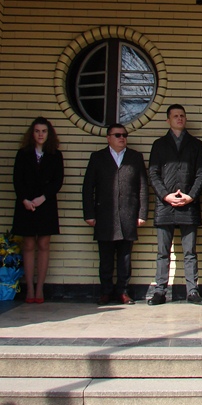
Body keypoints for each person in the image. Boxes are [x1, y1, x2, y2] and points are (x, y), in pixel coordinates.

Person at [147, 105, 202, 306]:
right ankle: (160, 291)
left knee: (190, 252)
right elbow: (153, 173)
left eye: (182, 115)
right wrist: (166, 195)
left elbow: (201, 173)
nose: (179, 118)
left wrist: (191, 196)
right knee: (163, 252)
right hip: (165, 205)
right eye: (175, 116)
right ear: (168, 120)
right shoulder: (159, 144)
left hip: (188, 205)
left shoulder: (196, 144)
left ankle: (192, 291)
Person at [83, 123, 148, 305]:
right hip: (104, 215)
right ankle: (105, 291)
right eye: (118, 135)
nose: (122, 138)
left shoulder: (135, 157)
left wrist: (142, 213)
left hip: (128, 214)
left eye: (124, 135)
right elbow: (88, 187)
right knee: (105, 258)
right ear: (108, 138)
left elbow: (143, 187)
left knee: (125, 258)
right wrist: (89, 213)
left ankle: (123, 292)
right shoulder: (97, 157)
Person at [12, 117, 64, 303]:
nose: (40, 134)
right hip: (26, 204)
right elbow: (17, 179)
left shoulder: (55, 155)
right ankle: (29, 288)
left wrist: (43, 197)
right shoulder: (23, 154)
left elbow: (58, 181)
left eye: (44, 131)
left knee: (43, 244)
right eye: (37, 131)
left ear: (49, 134)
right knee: (27, 244)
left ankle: (40, 288)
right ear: (31, 133)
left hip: (46, 204)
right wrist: (25, 199)